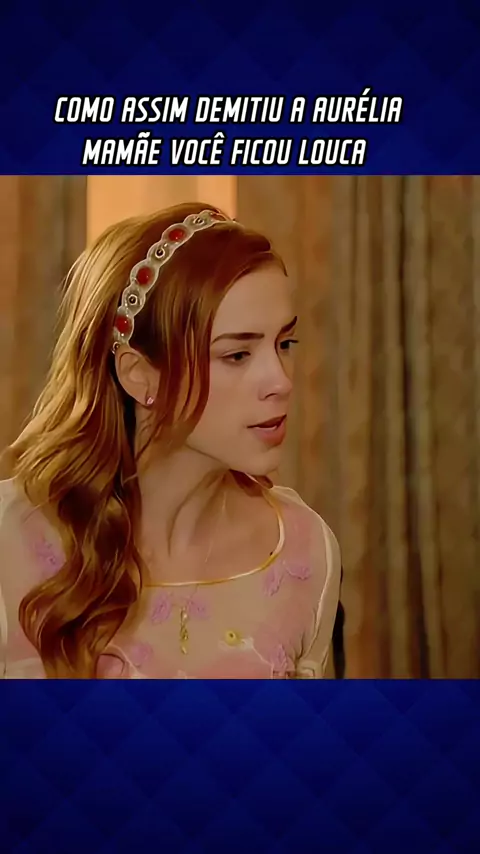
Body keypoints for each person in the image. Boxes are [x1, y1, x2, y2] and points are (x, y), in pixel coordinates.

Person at [0, 203, 341, 680]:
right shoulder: (11, 537)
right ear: (139, 375)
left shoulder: (304, 551)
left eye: (284, 344)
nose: (281, 381)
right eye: (237, 355)